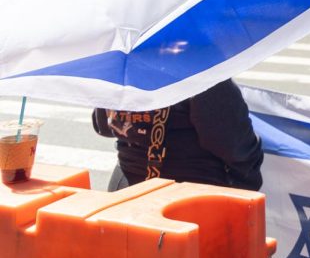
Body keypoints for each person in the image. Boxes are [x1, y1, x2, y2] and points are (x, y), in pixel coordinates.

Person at [92, 79, 263, 191]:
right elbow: (236, 147)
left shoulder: (117, 69)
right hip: (190, 198)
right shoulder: (201, 72)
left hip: (125, 188)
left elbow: (102, 126)